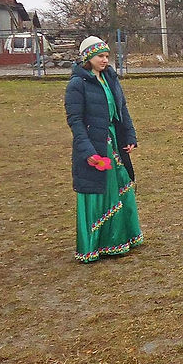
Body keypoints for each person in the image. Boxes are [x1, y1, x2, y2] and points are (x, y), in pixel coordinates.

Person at [64, 36, 143, 263]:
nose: (105, 60)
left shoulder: (110, 78)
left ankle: (122, 237)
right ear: (88, 58)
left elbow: (122, 110)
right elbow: (75, 121)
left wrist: (129, 136)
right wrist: (88, 152)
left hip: (115, 143)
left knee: (121, 187)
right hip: (94, 146)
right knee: (101, 192)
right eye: (100, 56)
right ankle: (98, 244)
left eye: (107, 56)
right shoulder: (77, 84)